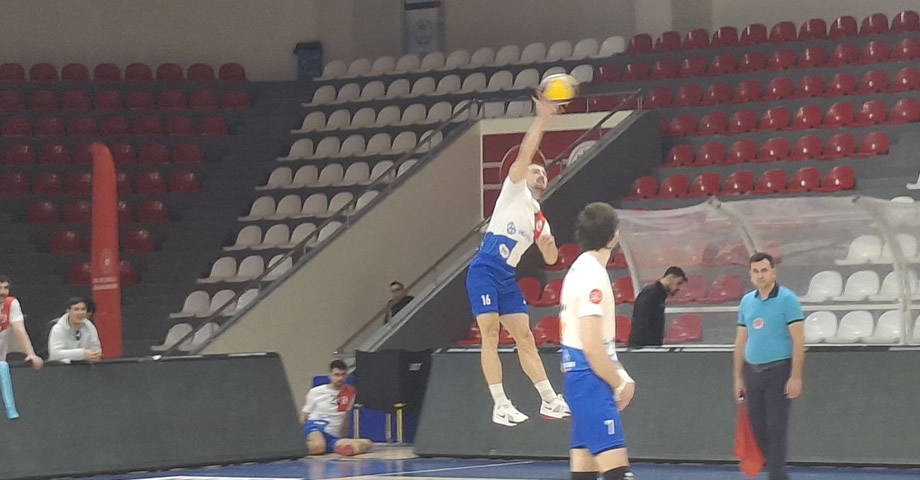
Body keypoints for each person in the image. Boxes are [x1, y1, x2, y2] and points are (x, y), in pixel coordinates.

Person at [465, 94, 568, 426]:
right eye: (535, 170)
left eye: (543, 172)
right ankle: (500, 403)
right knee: (491, 334)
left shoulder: (540, 218)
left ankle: (549, 400)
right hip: (484, 269)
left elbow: (552, 258)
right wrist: (544, 119)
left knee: (525, 337)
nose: (539, 174)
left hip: (506, 276)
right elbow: (526, 151)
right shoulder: (514, 190)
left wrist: (550, 246)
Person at [560, 202, 635, 480]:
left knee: (584, 473)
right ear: (614, 235)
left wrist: (620, 373)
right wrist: (619, 383)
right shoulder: (593, 277)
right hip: (591, 381)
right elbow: (592, 346)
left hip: (578, 379)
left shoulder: (578, 269)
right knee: (618, 473)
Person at [733, 252, 804, 480]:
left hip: (779, 371)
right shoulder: (747, 301)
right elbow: (741, 340)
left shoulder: (787, 299)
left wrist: (795, 376)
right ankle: (778, 474)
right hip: (753, 373)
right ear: (750, 275)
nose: (760, 275)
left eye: (764, 270)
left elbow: (799, 340)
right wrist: (738, 377)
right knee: (757, 429)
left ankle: (776, 475)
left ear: (773, 272)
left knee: (776, 428)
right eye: (756, 271)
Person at [300, 359, 373, 456]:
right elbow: (304, 415)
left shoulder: (350, 392)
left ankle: (330, 448)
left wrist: (343, 438)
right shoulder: (316, 391)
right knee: (319, 445)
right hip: (316, 427)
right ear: (330, 375)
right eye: (336, 375)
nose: (340, 378)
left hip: (333, 435)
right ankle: (298, 449)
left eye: (343, 375)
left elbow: (345, 417)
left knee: (367, 443)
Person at [627, 266, 687, 347]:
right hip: (643, 348)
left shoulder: (657, 294)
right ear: (671, 278)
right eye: (678, 283)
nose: (679, 288)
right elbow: (640, 322)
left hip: (649, 347)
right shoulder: (650, 294)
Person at [0, 275, 43, 370]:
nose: (2, 292)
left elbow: (19, 329)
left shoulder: (11, 303)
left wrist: (31, 354)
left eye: (5, 288)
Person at [48, 297, 103, 363]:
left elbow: (96, 348)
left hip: (85, 367)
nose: (80, 313)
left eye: (83, 309)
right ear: (68, 311)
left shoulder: (89, 326)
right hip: (62, 368)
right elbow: (55, 354)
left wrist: (95, 356)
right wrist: (82, 354)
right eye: (76, 309)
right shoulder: (58, 329)